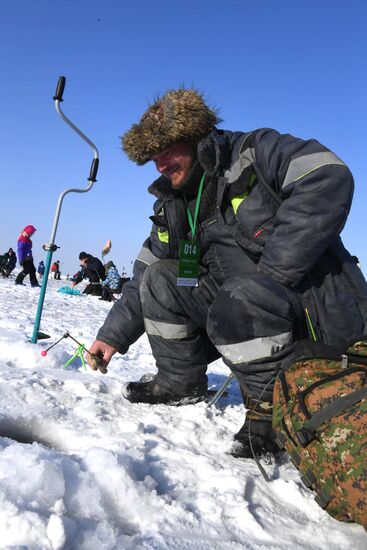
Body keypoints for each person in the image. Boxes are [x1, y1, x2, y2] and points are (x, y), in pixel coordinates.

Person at [88, 88, 367, 458]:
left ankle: (269, 410)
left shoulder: (254, 151)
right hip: (239, 312)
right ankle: (179, 382)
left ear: (195, 135)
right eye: (152, 157)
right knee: (159, 279)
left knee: (244, 294)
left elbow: (327, 176)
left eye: (166, 150)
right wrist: (111, 336)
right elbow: (142, 274)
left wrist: (270, 278)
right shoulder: (173, 204)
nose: (159, 165)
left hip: (310, 313)